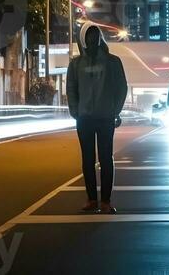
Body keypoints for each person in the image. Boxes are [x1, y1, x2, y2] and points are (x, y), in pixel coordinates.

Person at [66, 21, 128, 214]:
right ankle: (92, 199)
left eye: (96, 36)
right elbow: (71, 89)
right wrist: (75, 111)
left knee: (106, 159)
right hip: (84, 118)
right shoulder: (75, 64)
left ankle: (106, 201)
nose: (93, 40)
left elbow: (121, 88)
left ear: (100, 38)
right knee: (87, 159)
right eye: (89, 36)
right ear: (83, 39)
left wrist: (115, 111)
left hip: (105, 118)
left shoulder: (113, 62)